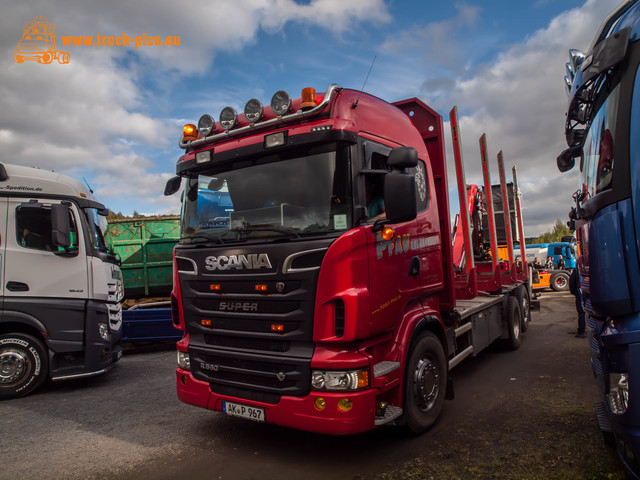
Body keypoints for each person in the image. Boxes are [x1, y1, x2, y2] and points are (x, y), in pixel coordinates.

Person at [569, 268, 585, 338]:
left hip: (581, 293)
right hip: (592, 293)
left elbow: (571, 282)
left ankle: (581, 331)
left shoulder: (578, 270)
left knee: (581, 312)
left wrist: (574, 292)